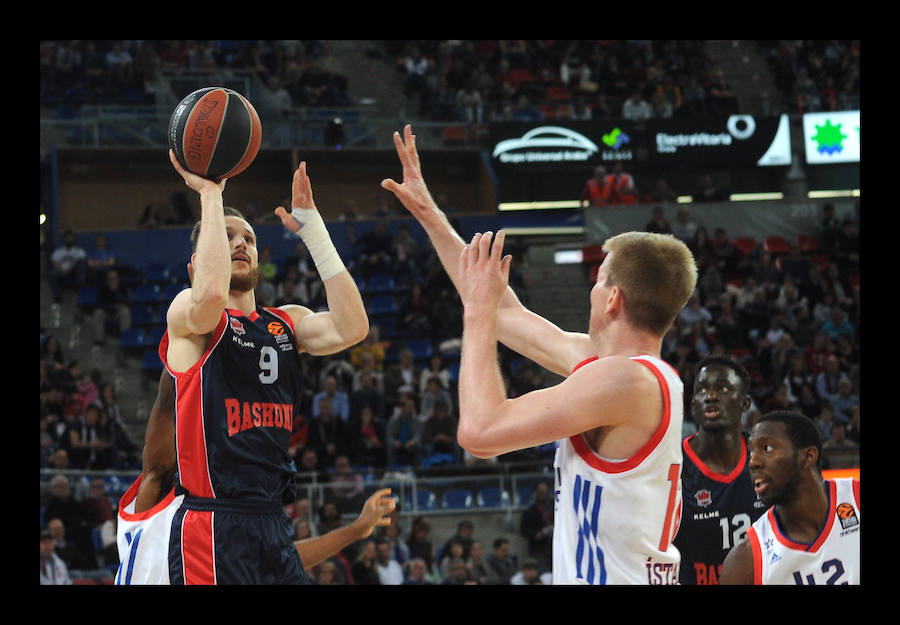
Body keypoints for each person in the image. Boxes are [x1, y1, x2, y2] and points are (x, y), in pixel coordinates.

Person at [382, 125, 697, 585]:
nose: (592, 290)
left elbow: (479, 431)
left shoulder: (625, 383)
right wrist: (430, 214)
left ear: (612, 300)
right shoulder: (616, 370)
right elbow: (507, 315)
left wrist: (475, 313)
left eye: (598, 280)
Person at [124, 151, 368, 585]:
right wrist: (211, 194)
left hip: (273, 521)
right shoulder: (191, 315)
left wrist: (315, 233)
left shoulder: (285, 322)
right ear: (195, 265)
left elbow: (352, 327)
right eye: (228, 236)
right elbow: (211, 294)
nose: (240, 243)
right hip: (213, 525)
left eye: (250, 239)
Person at [115, 371, 397, 585]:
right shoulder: (155, 500)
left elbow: (285, 557)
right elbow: (166, 406)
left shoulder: (221, 521)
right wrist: (179, 349)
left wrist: (356, 530)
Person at [719, 411, 860, 584]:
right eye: (751, 451)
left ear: (808, 457)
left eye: (767, 448)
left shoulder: (855, 498)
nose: (753, 462)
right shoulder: (746, 560)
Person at [674, 356, 767, 585]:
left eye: (723, 388)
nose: (711, 396)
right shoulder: (673, 464)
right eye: (702, 389)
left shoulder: (767, 459)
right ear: (692, 403)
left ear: (745, 404)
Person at [519, 481, 554, 573]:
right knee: (542, 575)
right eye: (540, 493)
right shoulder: (529, 511)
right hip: (538, 550)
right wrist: (536, 534)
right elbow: (523, 530)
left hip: (555, 547)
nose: (543, 495)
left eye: (545, 493)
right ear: (535, 494)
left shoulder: (555, 507)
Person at [49, 229, 87, 304]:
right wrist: (63, 270)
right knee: (51, 273)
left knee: (81, 263)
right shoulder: (58, 252)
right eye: (67, 238)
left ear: (73, 239)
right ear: (63, 239)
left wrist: (70, 268)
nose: (69, 240)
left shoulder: (79, 251)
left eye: (70, 238)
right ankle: (57, 297)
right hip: (61, 271)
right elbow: (55, 264)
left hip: (74, 271)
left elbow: (80, 263)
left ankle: (79, 289)